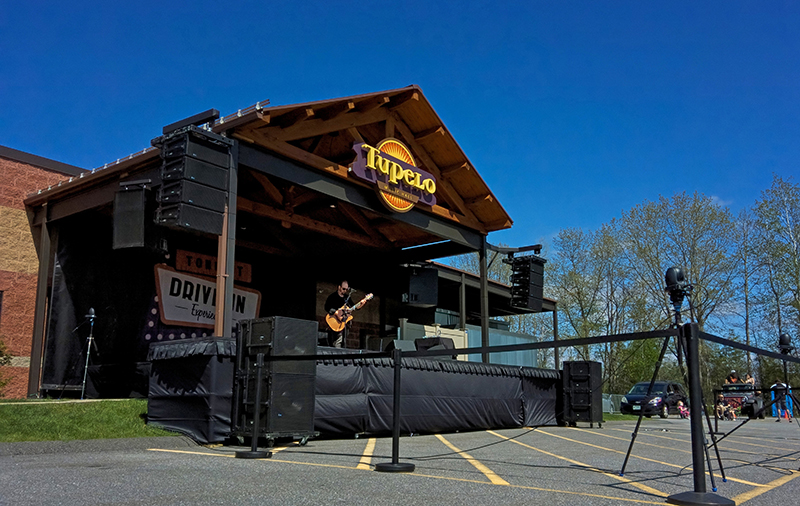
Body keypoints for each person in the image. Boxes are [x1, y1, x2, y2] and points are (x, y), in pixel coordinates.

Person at [324, 280, 352, 348]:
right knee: (336, 342)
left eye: (347, 289)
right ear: (339, 287)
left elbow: (354, 307)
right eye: (343, 288)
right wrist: (336, 313)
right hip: (335, 322)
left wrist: (363, 302)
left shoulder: (346, 299)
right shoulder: (333, 297)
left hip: (344, 324)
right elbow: (327, 307)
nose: (345, 290)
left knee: (342, 341)